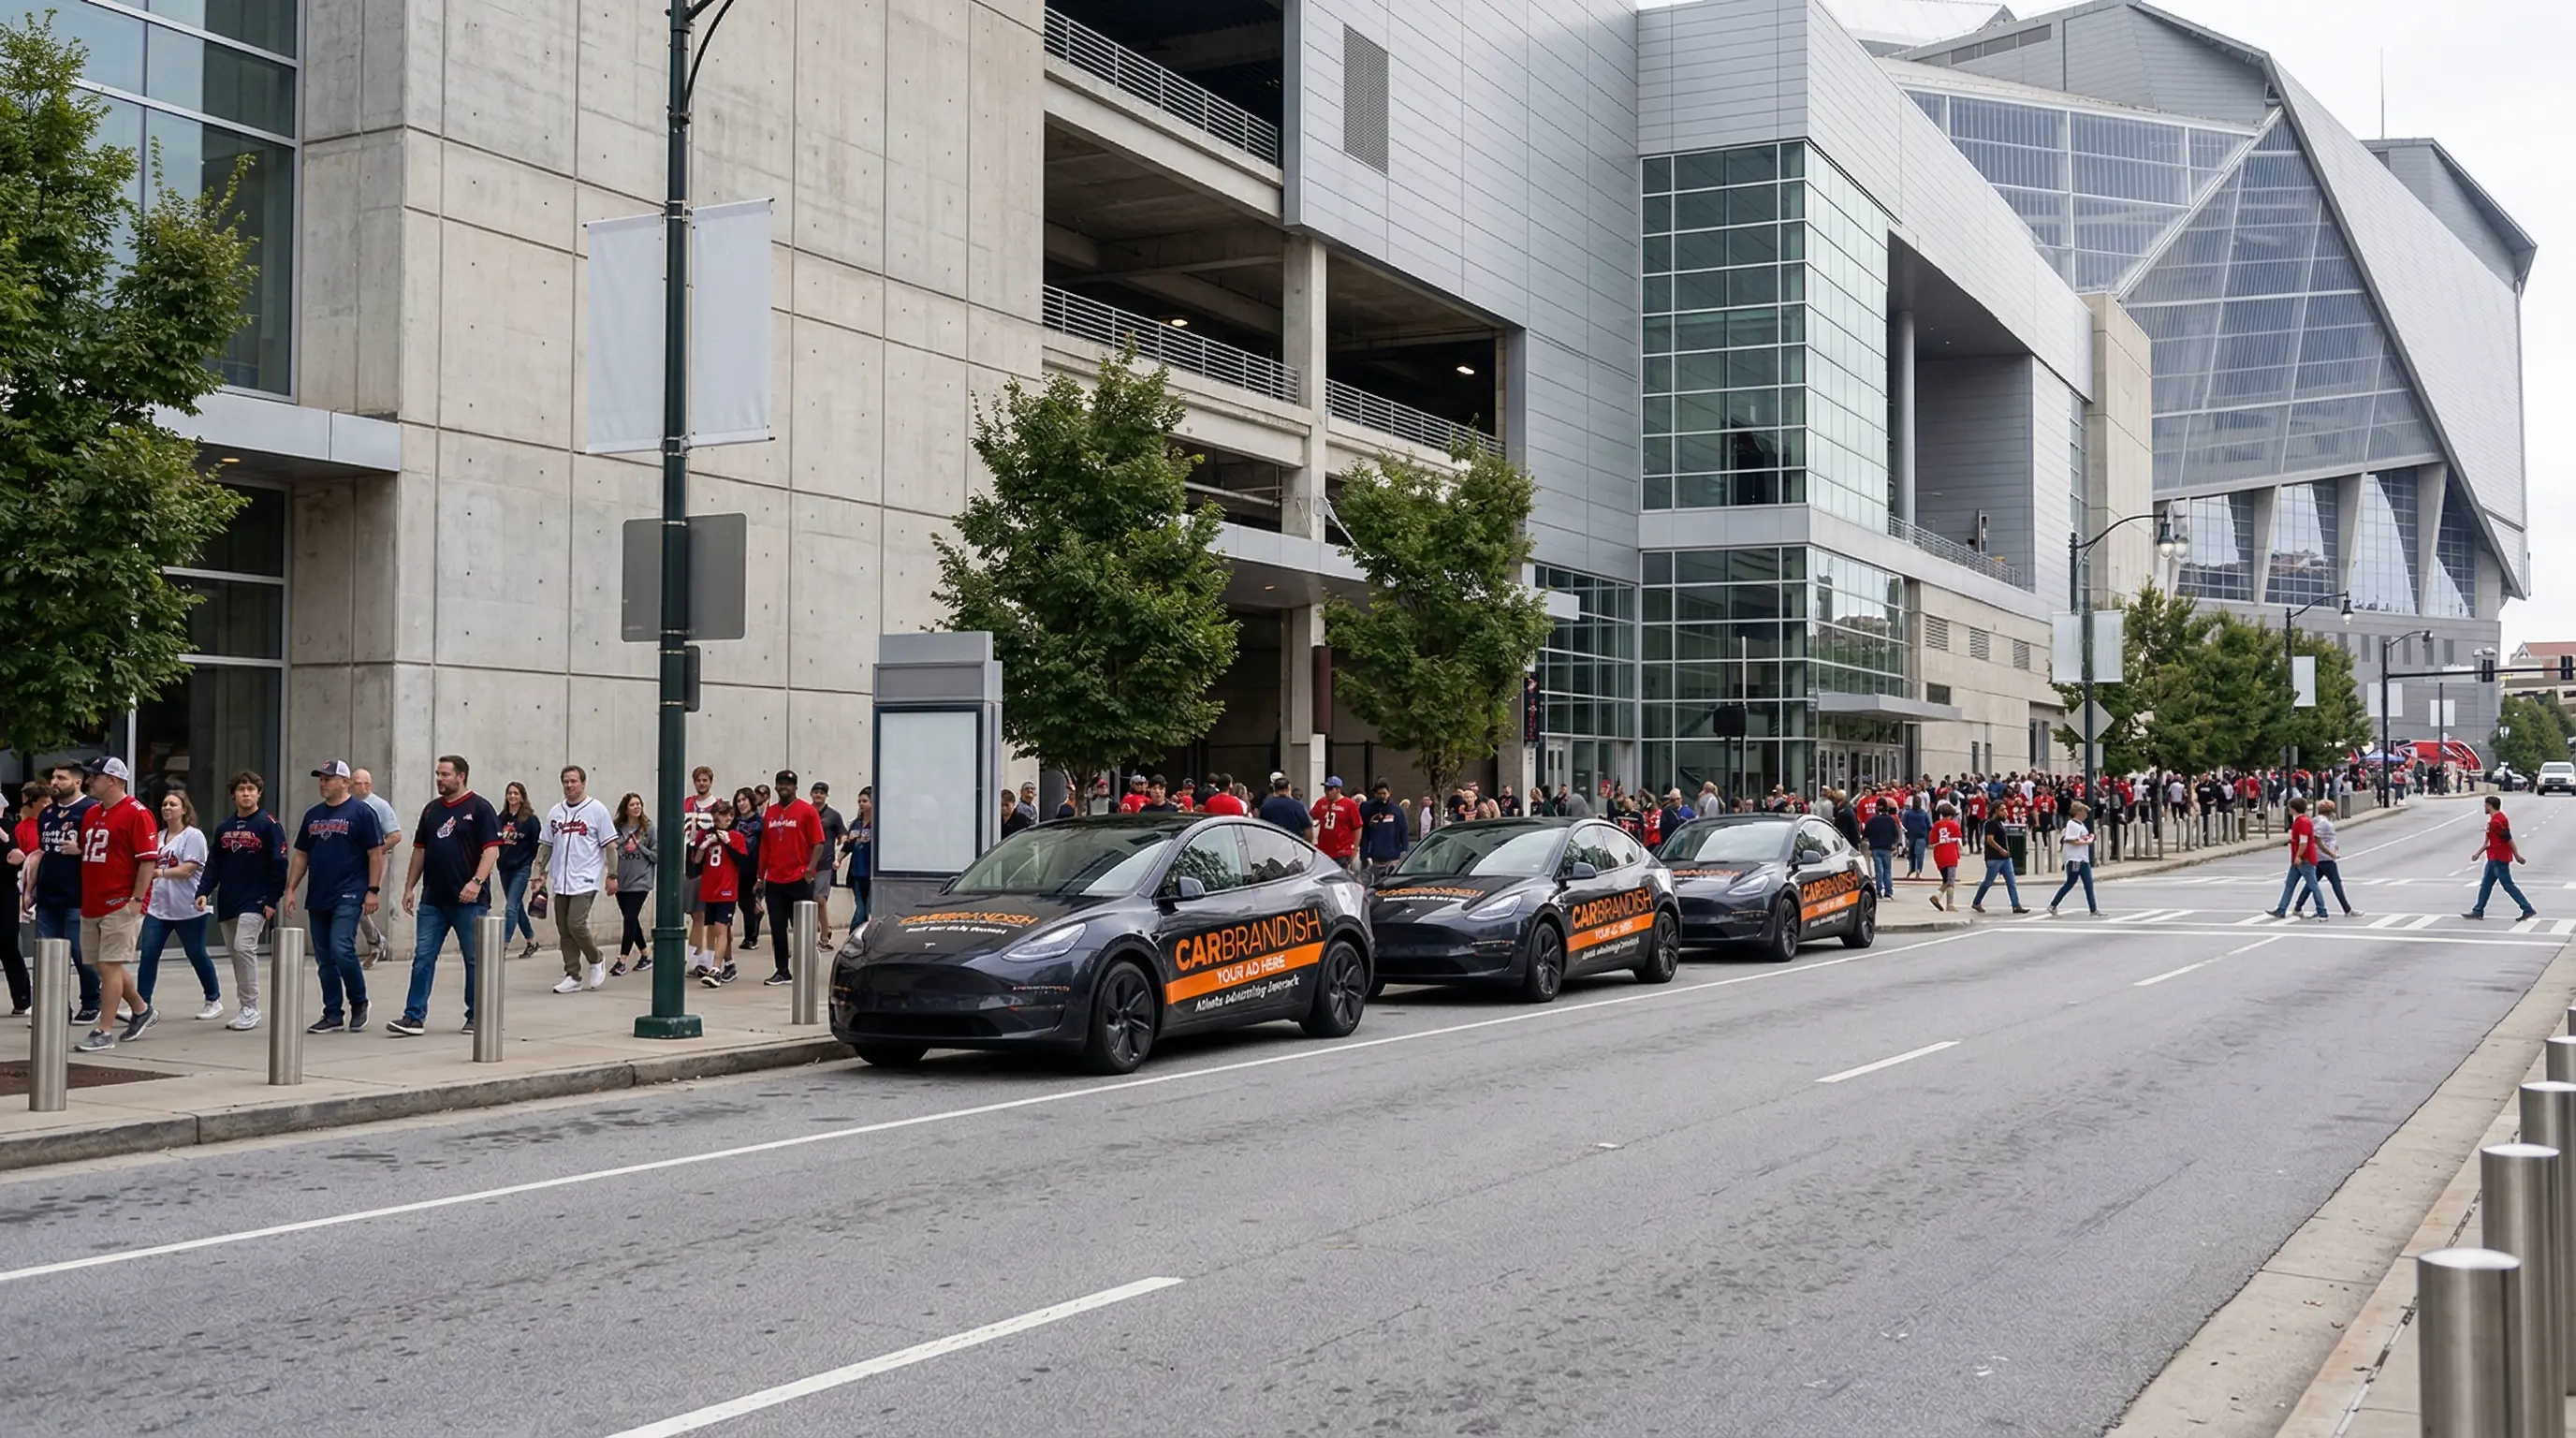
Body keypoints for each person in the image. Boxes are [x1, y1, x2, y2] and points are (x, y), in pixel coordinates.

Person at [392, 755, 501, 1035]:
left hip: (468, 902)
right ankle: (413, 1016)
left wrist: (476, 882)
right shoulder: (431, 810)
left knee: (474, 959)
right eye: (438, 774)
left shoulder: (480, 808)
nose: (439, 779)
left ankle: (477, 1016)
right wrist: (409, 888)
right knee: (423, 957)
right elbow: (420, 850)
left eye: (445, 774)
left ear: (461, 776)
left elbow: (492, 850)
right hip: (433, 901)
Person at [285, 760, 388, 1034]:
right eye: (320, 779)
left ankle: (359, 1001)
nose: (323, 783)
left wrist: (373, 890)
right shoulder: (313, 815)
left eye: (329, 779)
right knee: (324, 957)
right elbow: (302, 855)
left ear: (345, 782)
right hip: (319, 893)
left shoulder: (362, 813)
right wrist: (291, 888)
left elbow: (375, 855)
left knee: (341, 947)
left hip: (351, 890)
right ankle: (332, 1012)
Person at [70, 757, 162, 1051]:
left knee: (110, 965)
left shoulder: (137, 813)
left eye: (94, 777)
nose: (88, 782)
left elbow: (147, 860)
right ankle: (140, 1008)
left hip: (120, 901)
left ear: (112, 779)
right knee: (101, 964)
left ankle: (103, 1030)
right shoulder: (93, 813)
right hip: (93, 900)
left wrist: (136, 899)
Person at [135, 786, 221, 1020]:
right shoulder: (158, 836)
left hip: (189, 907)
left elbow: (189, 868)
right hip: (159, 907)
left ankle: (213, 998)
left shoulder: (193, 836)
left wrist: (160, 873)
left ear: (184, 810)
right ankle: (142, 1004)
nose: (167, 808)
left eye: (173, 804)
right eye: (164, 804)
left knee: (195, 953)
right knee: (149, 954)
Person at [205, 772, 284, 1031]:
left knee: (243, 947)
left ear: (259, 793)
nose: (246, 794)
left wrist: (273, 898)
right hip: (229, 898)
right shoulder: (224, 828)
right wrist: (202, 891)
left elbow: (279, 863)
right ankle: (244, 1005)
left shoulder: (269, 824)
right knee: (236, 954)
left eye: (251, 789)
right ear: (233, 794)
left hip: (257, 899)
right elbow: (214, 864)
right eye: (241, 789)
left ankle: (251, 1007)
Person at [29, 764, 101, 1023]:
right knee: (47, 955)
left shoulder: (91, 810)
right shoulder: (47, 813)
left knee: (82, 955)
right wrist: (29, 891)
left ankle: (92, 1002)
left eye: (61, 778)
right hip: (48, 896)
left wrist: (80, 850)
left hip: (78, 896)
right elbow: (41, 854)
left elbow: (105, 851)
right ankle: (57, 1006)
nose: (54, 782)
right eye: (53, 777)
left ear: (78, 782)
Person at [534, 766, 615, 993]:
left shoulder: (596, 810)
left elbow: (610, 846)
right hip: (561, 879)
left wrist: (613, 874)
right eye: (566, 782)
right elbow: (545, 846)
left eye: (574, 781)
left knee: (576, 924)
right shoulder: (555, 813)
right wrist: (537, 873)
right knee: (564, 929)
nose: (570, 786)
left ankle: (596, 958)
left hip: (586, 877)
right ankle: (573, 975)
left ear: (583, 783)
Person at [758, 769, 827, 988]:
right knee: (777, 928)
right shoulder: (770, 813)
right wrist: (761, 876)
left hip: (800, 879)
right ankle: (782, 970)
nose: (783, 787)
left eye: (788, 784)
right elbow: (765, 846)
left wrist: (810, 870)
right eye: (780, 784)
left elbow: (818, 843)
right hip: (775, 880)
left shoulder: (807, 811)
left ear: (795, 787)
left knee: (802, 928)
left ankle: (806, 968)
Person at [350, 768, 403, 968]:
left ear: (367, 785)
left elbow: (395, 835)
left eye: (355, 783)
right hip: (353, 862)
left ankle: (371, 942)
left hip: (376, 860)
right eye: (351, 782)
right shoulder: (350, 805)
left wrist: (374, 852)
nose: (352, 786)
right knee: (354, 903)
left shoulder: (379, 806)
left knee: (361, 903)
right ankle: (375, 941)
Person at [695, 799, 748, 987]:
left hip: (726, 889)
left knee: (720, 928)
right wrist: (703, 845)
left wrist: (728, 843)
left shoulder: (736, 837)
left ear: (730, 818)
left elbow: (743, 862)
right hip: (710, 888)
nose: (717, 824)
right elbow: (696, 862)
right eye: (714, 820)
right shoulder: (707, 836)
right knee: (722, 930)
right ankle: (730, 963)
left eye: (720, 820)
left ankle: (715, 968)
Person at [2464, 793, 2538, 921]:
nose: (2484, 808)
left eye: (2485, 805)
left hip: (2499, 858)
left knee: (2508, 885)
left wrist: (2517, 855)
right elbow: (2488, 842)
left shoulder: (2497, 822)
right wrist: (2478, 854)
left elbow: (2509, 839)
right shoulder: (2493, 821)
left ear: (2490, 806)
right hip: (2493, 857)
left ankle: (2527, 909)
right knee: (2486, 884)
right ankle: (2478, 910)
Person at [608, 792, 655, 976]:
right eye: (632, 805)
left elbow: (656, 855)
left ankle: (622, 960)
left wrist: (639, 847)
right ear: (625, 809)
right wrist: (623, 844)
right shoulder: (617, 828)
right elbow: (610, 848)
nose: (636, 807)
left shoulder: (649, 829)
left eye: (639, 804)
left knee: (629, 919)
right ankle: (645, 955)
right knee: (631, 919)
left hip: (641, 880)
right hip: (622, 880)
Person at [496, 783, 543, 959]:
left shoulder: (530, 820)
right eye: (510, 793)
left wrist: (537, 871)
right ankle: (531, 941)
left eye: (516, 793)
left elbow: (537, 846)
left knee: (510, 907)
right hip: (504, 868)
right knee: (516, 906)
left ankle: (503, 945)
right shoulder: (501, 818)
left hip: (521, 868)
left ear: (522, 797)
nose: (512, 796)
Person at [2267, 796, 2329, 921]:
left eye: (2290, 807)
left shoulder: (2302, 822)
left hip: (2303, 859)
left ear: (2294, 809)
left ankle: (2322, 911)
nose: (2288, 809)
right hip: (2299, 858)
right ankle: (2281, 909)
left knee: (2312, 884)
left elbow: (2304, 842)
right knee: (2290, 884)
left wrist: (2298, 856)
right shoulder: (2301, 821)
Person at [682, 766, 719, 970]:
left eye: (705, 780)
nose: (702, 783)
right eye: (698, 780)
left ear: (710, 782)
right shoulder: (687, 802)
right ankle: (693, 958)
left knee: (709, 913)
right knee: (696, 913)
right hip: (690, 862)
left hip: (710, 863)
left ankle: (708, 957)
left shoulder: (717, 804)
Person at [0, 783, 31, 1016]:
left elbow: (16, 858)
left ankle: (23, 999)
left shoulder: (8, 828)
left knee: (8, 945)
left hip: (5, 892)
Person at [1968, 801, 2027, 915]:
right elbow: (1990, 839)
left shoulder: (2000, 823)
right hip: (1995, 857)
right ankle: (1976, 902)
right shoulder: (1991, 823)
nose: (2005, 812)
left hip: (2005, 858)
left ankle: (2016, 905)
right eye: (2002, 810)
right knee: (1988, 881)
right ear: (1995, 811)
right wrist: (2001, 850)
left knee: (2011, 882)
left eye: (2005, 809)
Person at [809, 782, 845, 946]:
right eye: (815, 792)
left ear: (826, 795)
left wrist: (841, 841)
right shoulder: (806, 812)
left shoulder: (833, 815)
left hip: (825, 864)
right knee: (808, 901)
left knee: (820, 899)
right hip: (807, 863)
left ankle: (824, 936)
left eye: (822, 793)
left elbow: (842, 833)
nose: (818, 795)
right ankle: (817, 931)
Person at [2046, 801, 2099, 917]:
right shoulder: (2072, 824)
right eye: (2084, 812)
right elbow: (2070, 840)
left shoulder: (2080, 825)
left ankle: (2093, 909)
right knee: (2070, 883)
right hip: (2075, 859)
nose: (2086, 815)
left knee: (2088, 884)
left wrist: (2088, 837)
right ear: (2078, 812)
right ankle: (2053, 904)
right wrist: (2087, 841)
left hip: (2082, 859)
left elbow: (2078, 837)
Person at [2312, 798, 2357, 917]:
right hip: (2325, 857)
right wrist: (2330, 853)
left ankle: (2298, 906)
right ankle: (2347, 909)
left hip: (2321, 856)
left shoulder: (2319, 821)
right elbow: (2317, 838)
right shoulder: (2323, 823)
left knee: (2312, 884)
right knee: (2336, 883)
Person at [1311, 777, 1361, 872]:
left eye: (1330, 789)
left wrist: (1354, 848)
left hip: (1341, 851)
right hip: (1323, 850)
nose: (1327, 792)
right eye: (1326, 789)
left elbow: (1357, 827)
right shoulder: (1321, 802)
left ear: (1338, 790)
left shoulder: (1349, 804)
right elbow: (1312, 817)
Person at [842, 787, 873, 935]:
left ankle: (862, 938)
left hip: (872, 873)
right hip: (857, 872)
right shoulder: (855, 824)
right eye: (859, 801)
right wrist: (838, 860)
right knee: (860, 910)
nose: (861, 804)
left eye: (865, 801)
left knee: (869, 910)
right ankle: (853, 938)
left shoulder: (879, 823)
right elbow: (847, 846)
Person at [1927, 801, 1964, 912]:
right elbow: (1959, 840)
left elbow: (1932, 841)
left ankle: (1937, 896)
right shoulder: (1954, 825)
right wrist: (1960, 851)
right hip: (1951, 853)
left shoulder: (1936, 825)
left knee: (1945, 879)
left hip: (1939, 854)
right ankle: (1950, 904)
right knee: (1951, 880)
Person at [1862, 800, 1900, 899]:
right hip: (1887, 847)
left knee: (1878, 870)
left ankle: (1878, 890)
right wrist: (1893, 843)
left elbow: (1865, 833)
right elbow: (1896, 834)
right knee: (1887, 870)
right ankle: (1889, 890)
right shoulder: (1890, 820)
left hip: (1875, 847)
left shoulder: (1872, 820)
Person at [1259, 773, 1313, 839]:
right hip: (1293, 845)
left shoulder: (1265, 807)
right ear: (1288, 788)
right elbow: (1308, 832)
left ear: (1274, 790)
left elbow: (1261, 829)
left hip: (1272, 843)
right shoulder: (1298, 806)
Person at [1901, 799, 1931, 879]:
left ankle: (1917, 871)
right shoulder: (1909, 813)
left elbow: (1929, 826)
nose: (1917, 803)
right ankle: (1913, 870)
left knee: (1918, 855)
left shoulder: (1922, 814)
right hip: (1912, 837)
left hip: (1919, 837)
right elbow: (1903, 825)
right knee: (1912, 855)